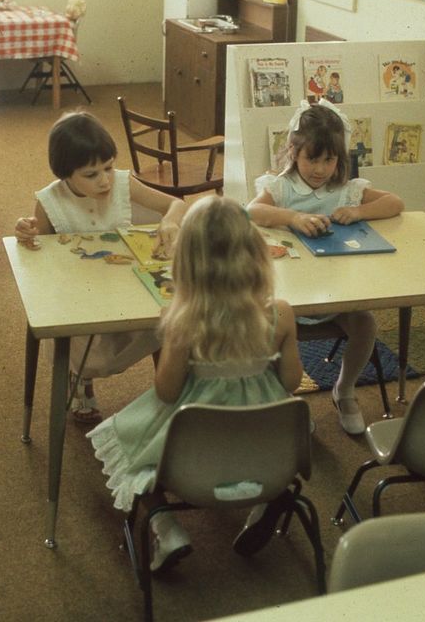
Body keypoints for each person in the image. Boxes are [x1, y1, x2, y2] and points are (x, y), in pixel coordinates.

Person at [87, 195, 303, 573]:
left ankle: (167, 528)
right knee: (270, 435)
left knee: (134, 456)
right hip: (265, 443)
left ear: (186, 261)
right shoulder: (280, 314)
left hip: (193, 455)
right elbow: (291, 382)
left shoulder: (180, 321)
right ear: (256, 253)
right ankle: (269, 497)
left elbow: (166, 391)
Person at [15, 111, 187, 424]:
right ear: (66, 174)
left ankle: (170, 383)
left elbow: (176, 204)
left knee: (169, 319)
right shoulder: (50, 200)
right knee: (84, 349)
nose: (105, 179)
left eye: (108, 167)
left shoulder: (122, 183)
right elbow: (35, 250)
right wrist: (25, 232)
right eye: (92, 174)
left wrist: (172, 221)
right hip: (81, 298)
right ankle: (80, 378)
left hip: (128, 288)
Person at [247, 98, 404, 435]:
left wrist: (358, 212)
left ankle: (344, 390)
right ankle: (284, 397)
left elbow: (395, 202)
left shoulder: (345, 191)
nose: (320, 169)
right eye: (311, 159)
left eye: (329, 160)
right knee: (268, 327)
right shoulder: (282, 187)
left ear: (340, 159)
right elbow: (251, 212)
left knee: (366, 324)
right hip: (289, 299)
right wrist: (293, 217)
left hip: (337, 297)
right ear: (293, 151)